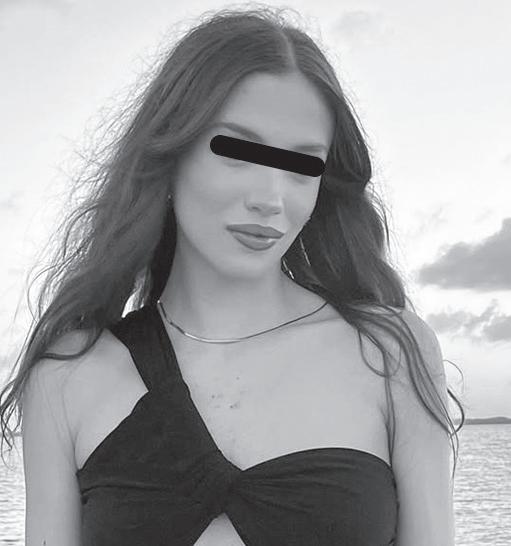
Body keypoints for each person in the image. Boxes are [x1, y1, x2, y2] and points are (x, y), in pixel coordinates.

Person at [0, 5, 464, 545]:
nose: (270, 197)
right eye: (237, 152)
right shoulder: (66, 377)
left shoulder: (391, 353)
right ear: (169, 153)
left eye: (302, 165)